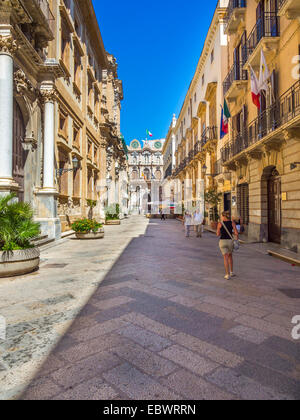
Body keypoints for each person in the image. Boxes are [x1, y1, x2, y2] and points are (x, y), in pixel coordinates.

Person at [217, 211, 239, 280]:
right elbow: (236, 233)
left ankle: (227, 275)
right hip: (230, 241)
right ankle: (231, 272)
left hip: (222, 242)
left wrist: (221, 231)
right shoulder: (232, 223)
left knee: (225, 257)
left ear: (223, 216)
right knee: (230, 256)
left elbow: (217, 234)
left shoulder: (220, 223)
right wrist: (236, 239)